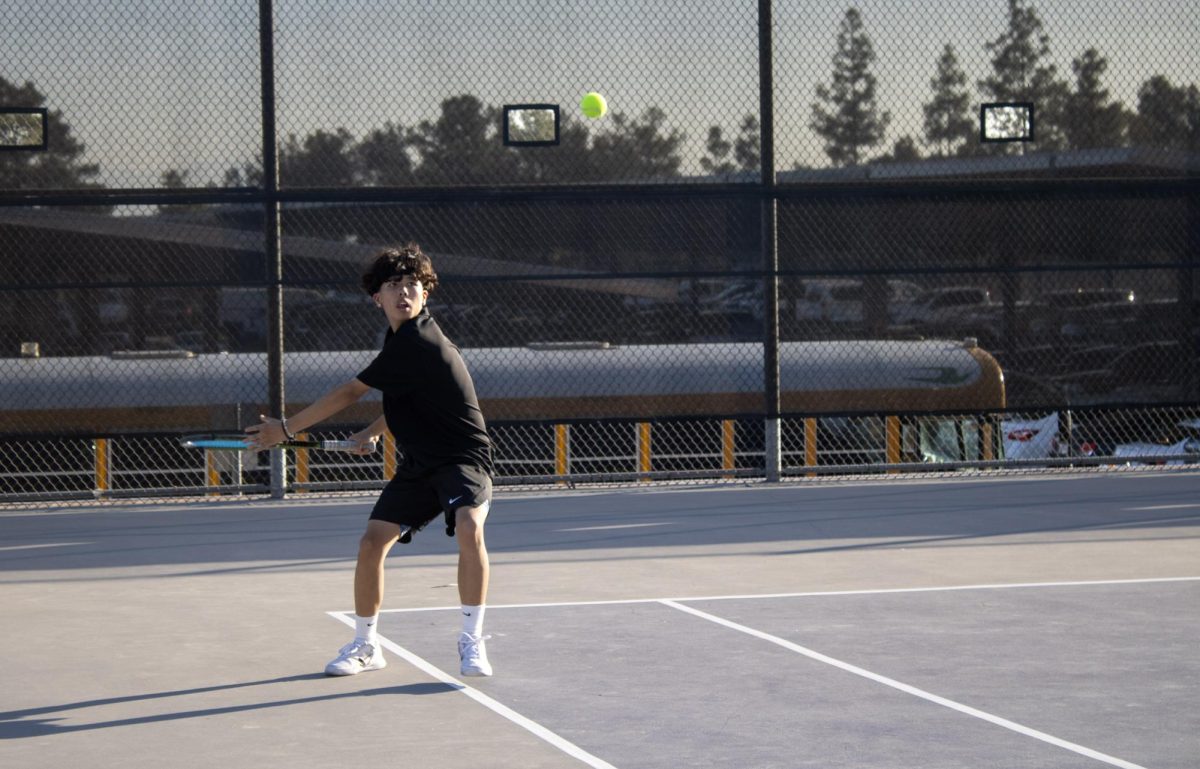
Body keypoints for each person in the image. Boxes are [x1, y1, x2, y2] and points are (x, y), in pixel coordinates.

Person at [246, 243, 495, 677]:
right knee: (371, 542)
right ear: (376, 297)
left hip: (463, 459)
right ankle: (366, 646)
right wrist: (369, 433)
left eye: (413, 285)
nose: (405, 293)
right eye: (394, 285)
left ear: (425, 295)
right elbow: (408, 396)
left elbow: (349, 393)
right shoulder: (400, 341)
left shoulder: (420, 338)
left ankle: (471, 641)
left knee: (470, 529)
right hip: (420, 463)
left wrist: (286, 430)